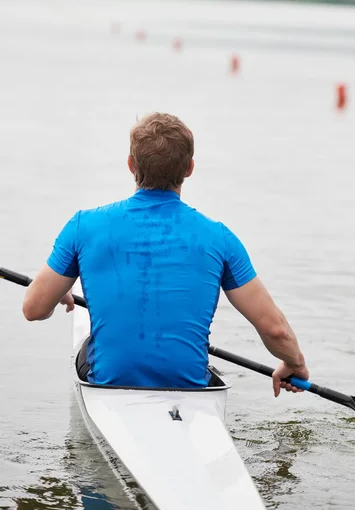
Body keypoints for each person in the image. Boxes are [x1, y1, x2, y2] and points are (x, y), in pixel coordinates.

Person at [23, 113, 309, 395]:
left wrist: (55, 294)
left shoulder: (83, 226)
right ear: (190, 168)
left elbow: (33, 309)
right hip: (189, 388)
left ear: (131, 165)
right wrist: (294, 364)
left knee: (90, 343)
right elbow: (275, 330)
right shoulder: (221, 239)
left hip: (111, 383)